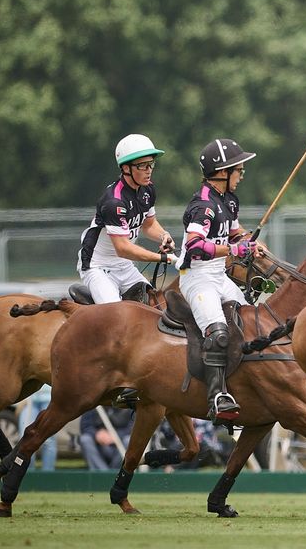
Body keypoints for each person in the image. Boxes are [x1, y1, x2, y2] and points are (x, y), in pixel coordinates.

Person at [176, 137, 264, 425]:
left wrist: (249, 242)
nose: (242, 175)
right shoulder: (203, 206)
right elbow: (194, 246)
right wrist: (234, 250)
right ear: (223, 172)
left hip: (218, 275)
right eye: (239, 170)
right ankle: (217, 397)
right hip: (197, 278)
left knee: (252, 319)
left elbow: (236, 233)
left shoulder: (228, 200)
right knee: (219, 333)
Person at [77, 133, 176, 305]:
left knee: (155, 308)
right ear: (125, 168)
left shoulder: (148, 190)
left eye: (151, 164)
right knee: (117, 316)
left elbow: (149, 224)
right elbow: (123, 248)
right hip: (98, 267)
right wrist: (161, 258)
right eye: (142, 166)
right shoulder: (113, 201)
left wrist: (164, 235)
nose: (149, 170)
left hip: (124, 266)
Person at [78, 406, 134, 471]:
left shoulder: (128, 401)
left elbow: (133, 427)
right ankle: (102, 474)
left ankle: (116, 473)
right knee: (85, 440)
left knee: (129, 440)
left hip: (120, 446)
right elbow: (85, 425)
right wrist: (96, 434)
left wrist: (116, 436)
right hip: (97, 446)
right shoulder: (93, 401)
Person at [19, 385, 58, 471]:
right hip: (29, 399)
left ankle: (47, 477)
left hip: (50, 397)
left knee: (48, 440)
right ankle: (28, 475)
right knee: (24, 438)